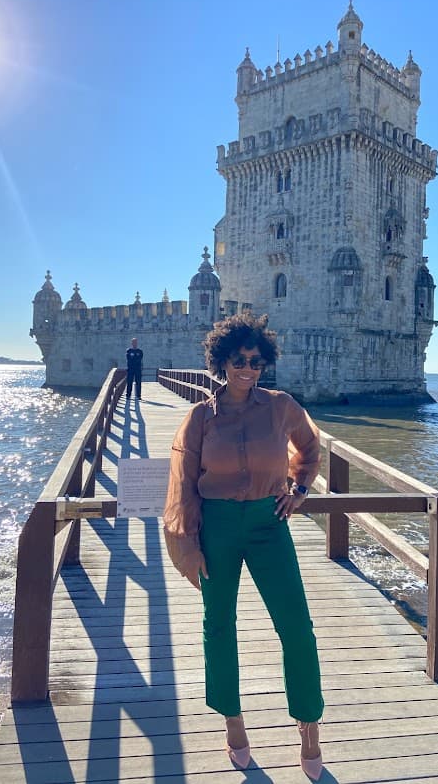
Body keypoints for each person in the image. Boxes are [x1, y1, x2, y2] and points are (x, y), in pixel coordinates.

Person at [163, 313, 324, 779]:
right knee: (219, 624)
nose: (248, 369)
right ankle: (233, 722)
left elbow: (310, 448)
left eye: (255, 361)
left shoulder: (280, 407)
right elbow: (183, 486)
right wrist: (188, 543)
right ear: (222, 362)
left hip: (268, 522)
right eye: (239, 360)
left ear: (265, 362)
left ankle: (308, 726)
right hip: (216, 525)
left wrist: (300, 489)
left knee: (296, 625)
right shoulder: (199, 418)